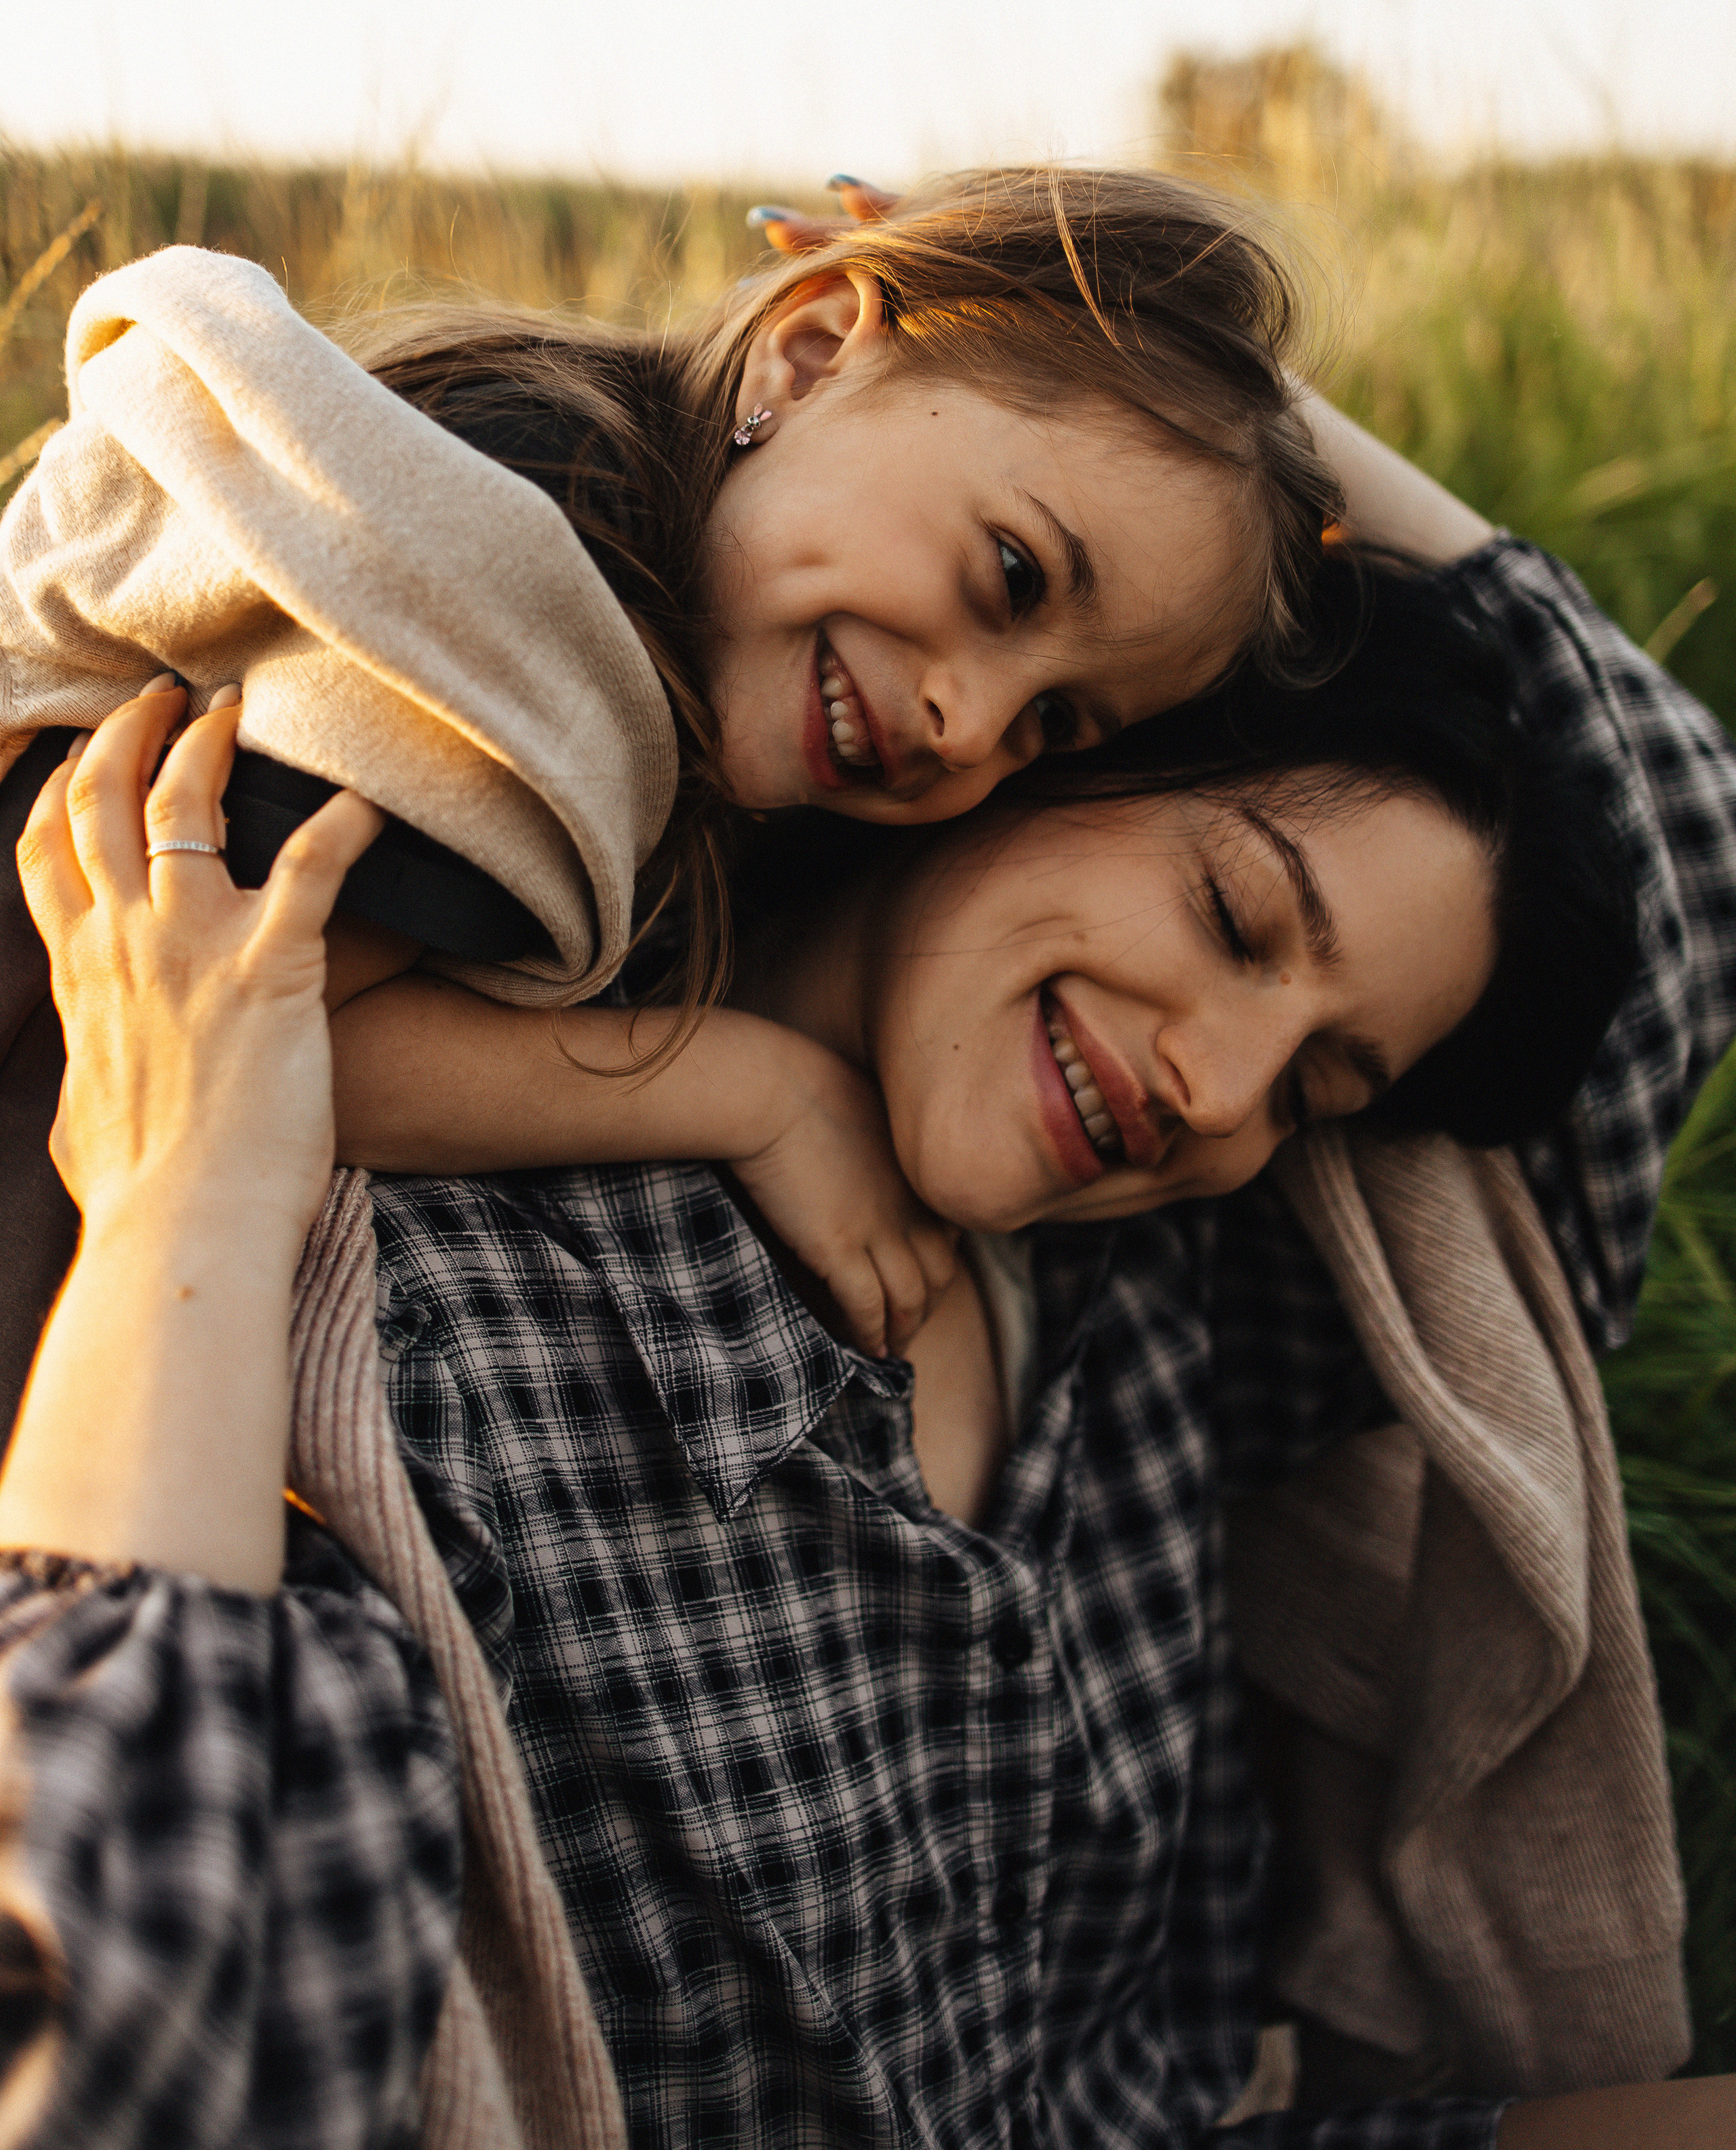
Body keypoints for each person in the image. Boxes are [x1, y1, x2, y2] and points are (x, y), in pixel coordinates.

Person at [3, 481, 1735, 2145]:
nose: (1221, 1091)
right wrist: (196, 1183)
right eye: (1228, 914)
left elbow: (1675, 840)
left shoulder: (1158, 1309)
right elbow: (124, 2014)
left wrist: (1201, 432)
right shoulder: (451, 1316)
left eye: (1321, 1087)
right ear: (1012, 766)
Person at [0, 165, 1344, 1392]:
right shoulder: (518, 619)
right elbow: (248, 1050)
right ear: (810, 355)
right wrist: (746, 1088)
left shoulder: (590, 493)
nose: (966, 722)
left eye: (1052, 724)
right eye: (1009, 576)